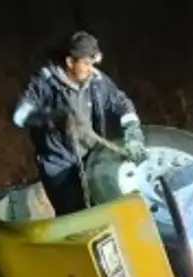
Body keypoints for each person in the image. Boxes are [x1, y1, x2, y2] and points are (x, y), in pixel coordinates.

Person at [11, 30, 148, 217]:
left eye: (93, 63)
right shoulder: (45, 82)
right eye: (86, 63)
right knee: (74, 217)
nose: (91, 69)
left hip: (93, 159)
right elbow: (19, 116)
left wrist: (132, 131)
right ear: (70, 62)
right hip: (59, 167)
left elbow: (120, 103)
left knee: (103, 209)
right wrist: (54, 118)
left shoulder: (97, 81)